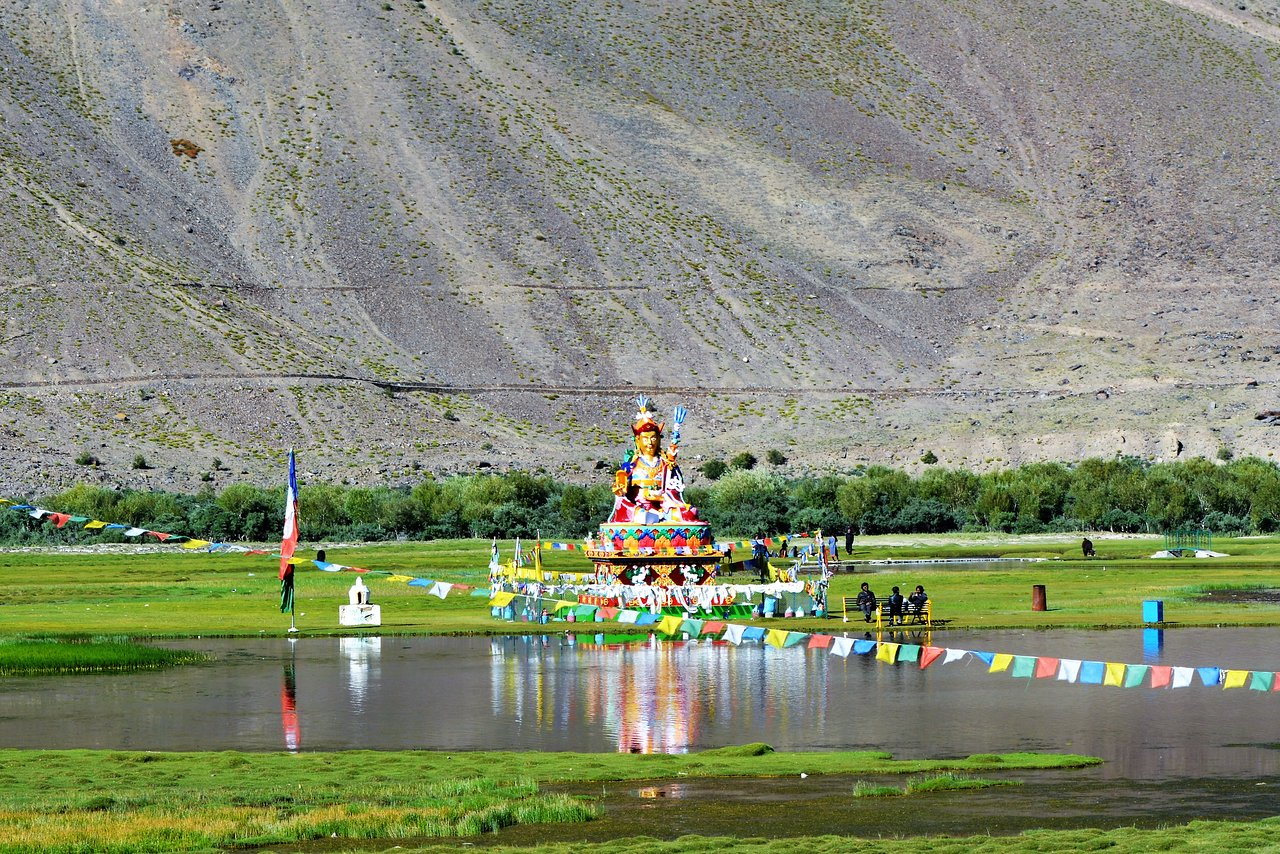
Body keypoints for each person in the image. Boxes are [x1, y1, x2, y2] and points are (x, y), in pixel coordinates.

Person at [609, 399, 698, 525]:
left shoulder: (665, 464)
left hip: (663, 506)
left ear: (658, 440)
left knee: (690, 512)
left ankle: (659, 519)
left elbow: (673, 488)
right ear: (637, 440)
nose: (650, 442)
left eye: (653, 438)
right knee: (640, 516)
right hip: (639, 506)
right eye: (645, 439)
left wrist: (662, 497)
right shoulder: (630, 466)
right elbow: (623, 492)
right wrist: (632, 491)